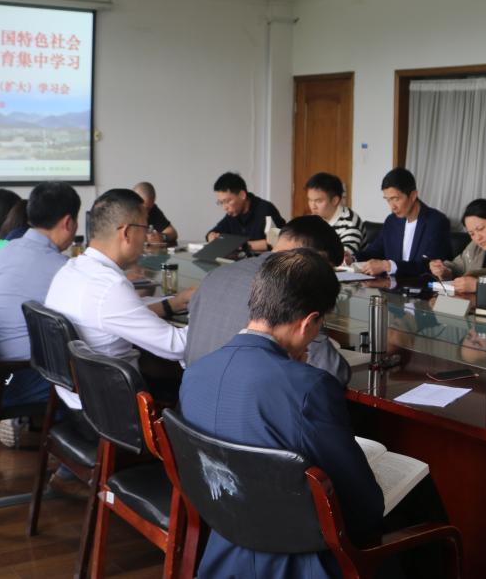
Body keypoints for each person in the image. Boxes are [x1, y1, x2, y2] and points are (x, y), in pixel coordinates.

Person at [180, 249, 384, 579]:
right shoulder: (309, 387)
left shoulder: (194, 375)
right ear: (309, 322)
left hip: (225, 548)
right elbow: (364, 509)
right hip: (303, 562)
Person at [47, 188, 188, 409]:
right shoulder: (109, 287)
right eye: (145, 228)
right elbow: (176, 346)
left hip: (76, 396)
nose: (147, 238)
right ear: (127, 233)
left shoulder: (72, 269)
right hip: (113, 407)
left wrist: (174, 303)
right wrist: (216, 315)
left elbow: (124, 311)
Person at [0, 182, 82, 445]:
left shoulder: (5, 248)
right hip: (13, 381)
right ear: (68, 222)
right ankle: (74, 457)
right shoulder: (59, 267)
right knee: (96, 379)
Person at [185, 215, 352, 383]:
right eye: (328, 272)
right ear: (316, 259)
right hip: (251, 394)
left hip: (192, 392)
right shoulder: (295, 286)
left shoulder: (215, 275)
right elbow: (334, 372)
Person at [355, 167, 452, 277]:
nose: (392, 207)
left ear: (413, 195)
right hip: (390, 285)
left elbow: (429, 266)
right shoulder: (391, 221)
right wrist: (353, 258)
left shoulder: (437, 222)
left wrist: (388, 266)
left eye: (396, 199)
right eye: (388, 200)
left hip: (421, 286)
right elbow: (375, 251)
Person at [206, 172, 285, 253]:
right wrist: (211, 236)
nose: (224, 207)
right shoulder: (233, 214)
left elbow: (277, 242)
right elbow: (215, 231)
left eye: (227, 201)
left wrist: (241, 245)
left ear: (242, 195)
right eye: (221, 202)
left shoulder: (266, 209)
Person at [306, 171, 364, 262]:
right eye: (310, 200)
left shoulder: (350, 223)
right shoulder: (315, 219)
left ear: (335, 200)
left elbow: (342, 258)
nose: (313, 206)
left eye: (318, 201)